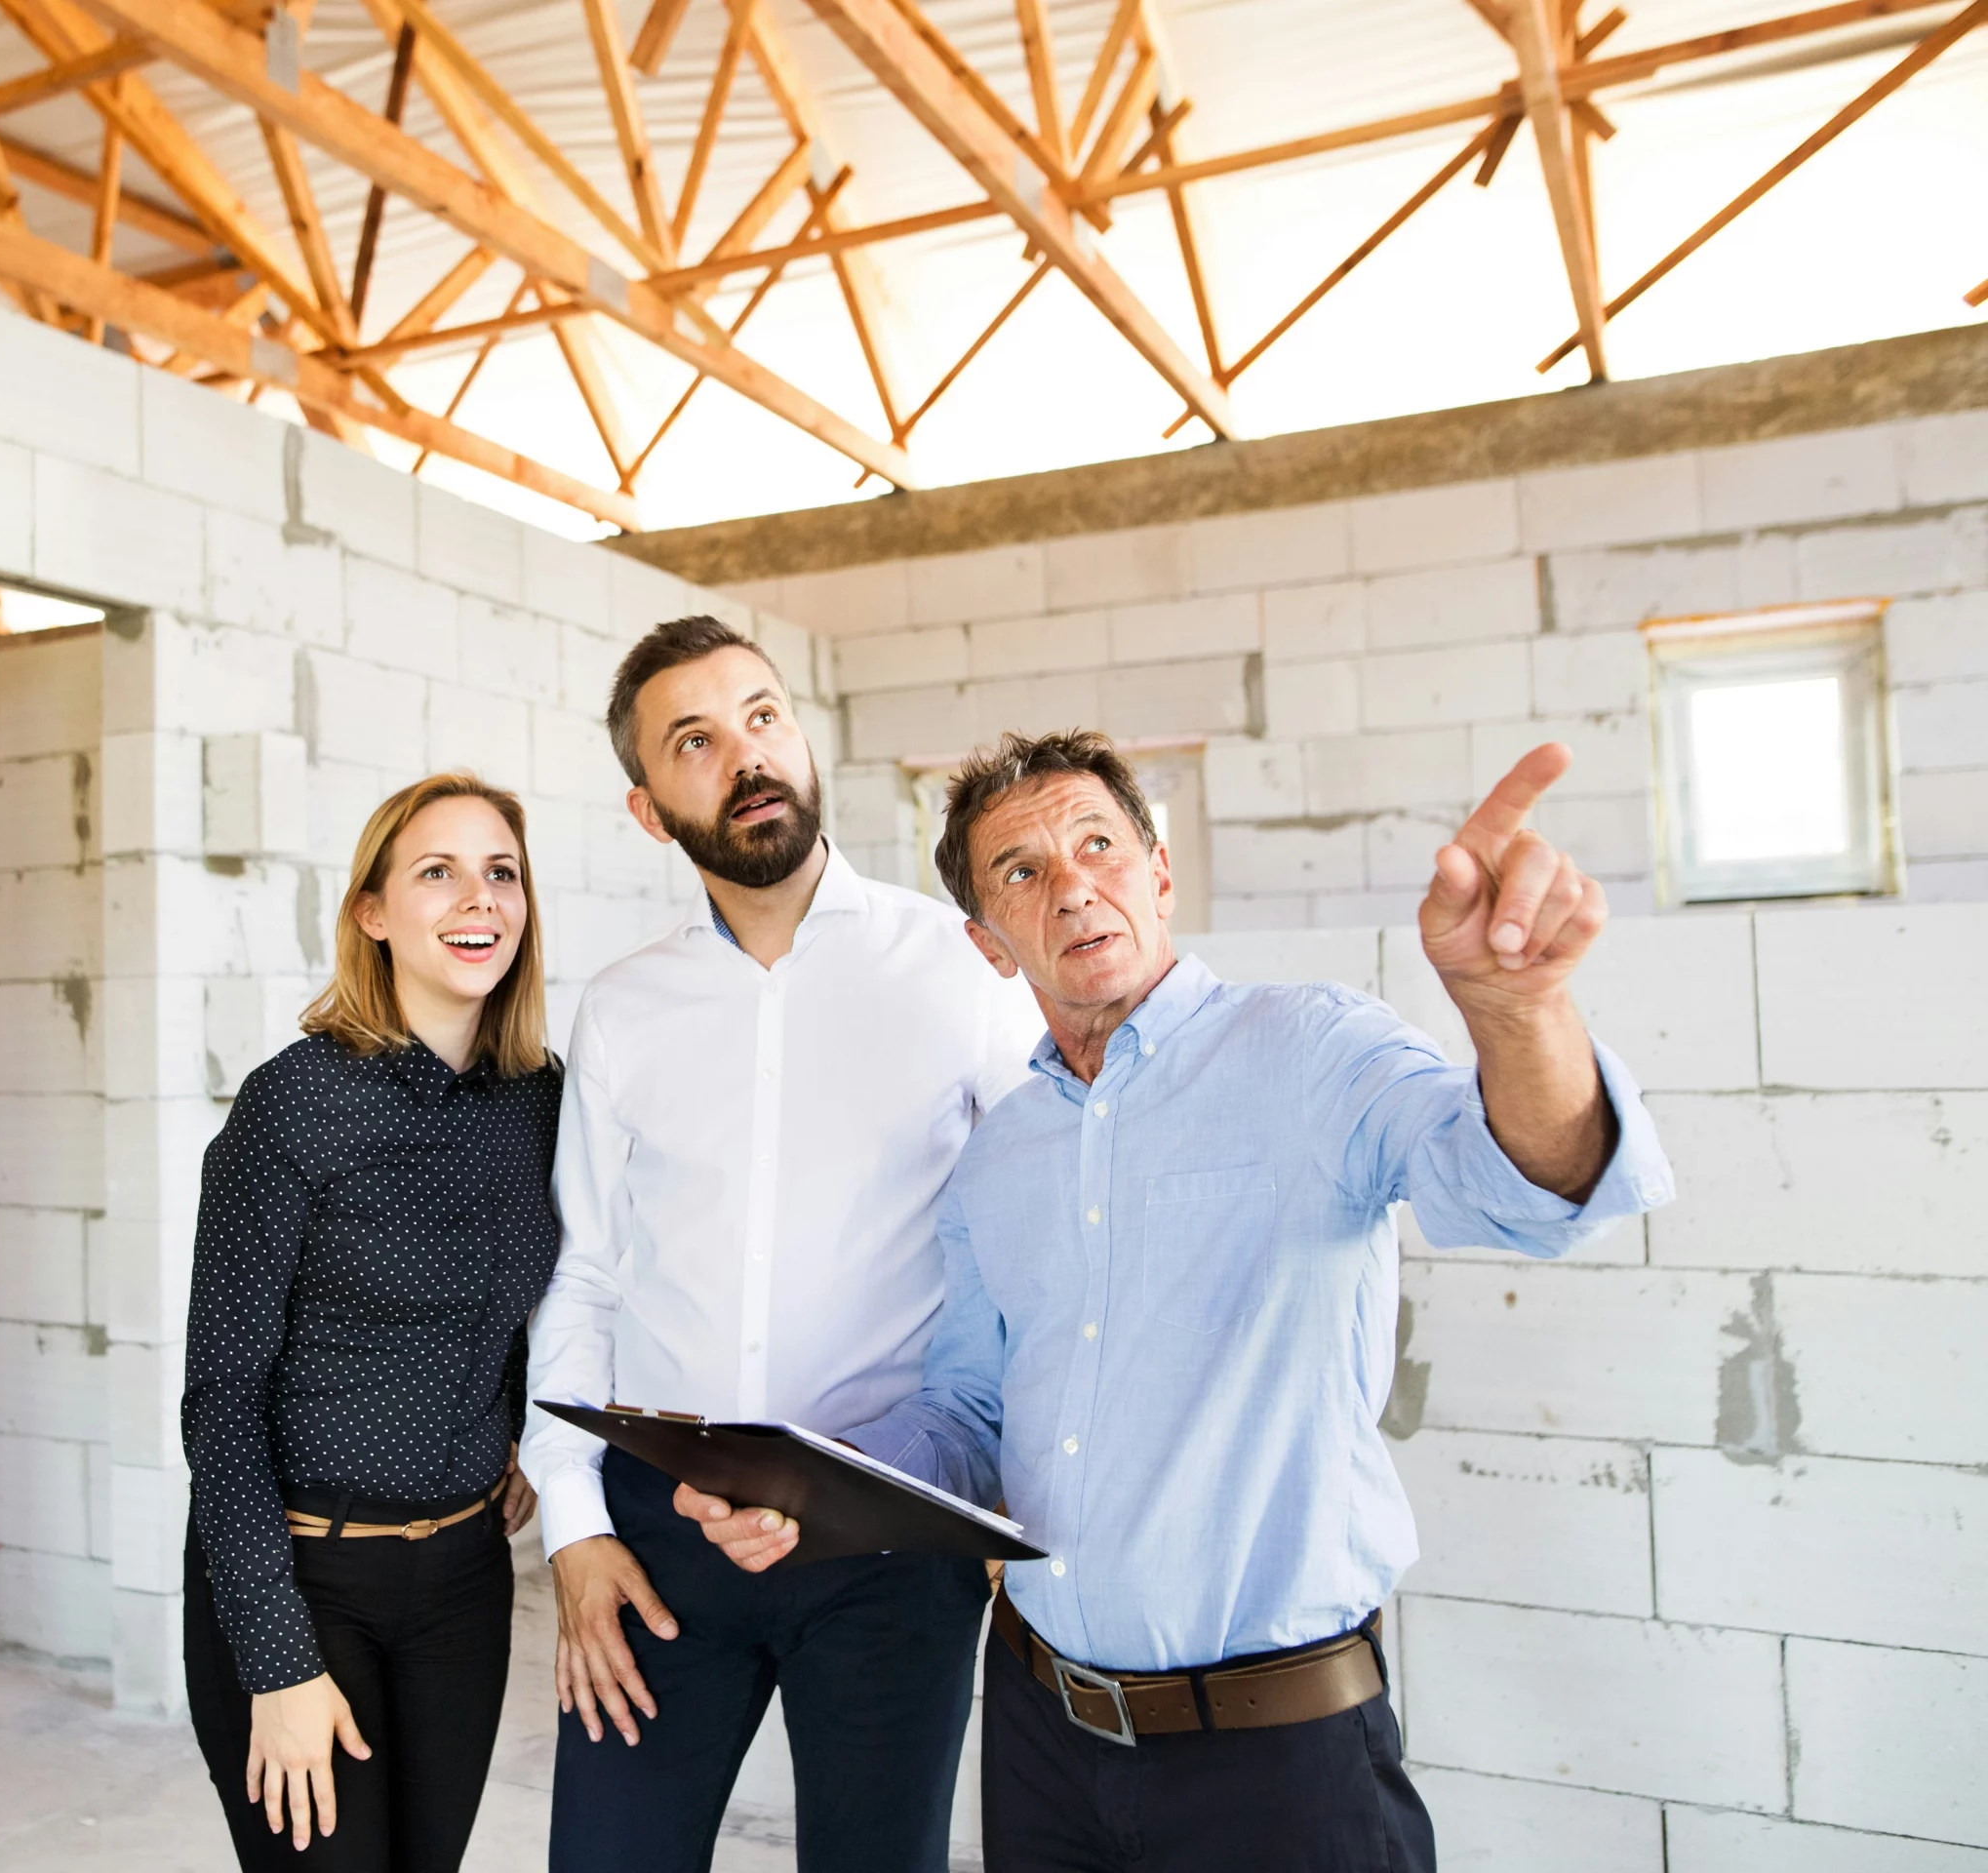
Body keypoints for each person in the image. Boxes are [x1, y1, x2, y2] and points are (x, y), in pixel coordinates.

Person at [681, 729, 1677, 1873]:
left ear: (1158, 873)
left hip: (1280, 1759)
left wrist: (1516, 1015)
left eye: (1099, 845)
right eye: (1022, 872)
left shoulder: (1311, 1048)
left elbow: (1532, 1192)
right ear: (989, 944)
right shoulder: (997, 1159)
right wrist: (814, 1482)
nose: (1072, 887)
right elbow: (966, 1417)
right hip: (1041, 1734)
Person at [522, 616, 1042, 1873]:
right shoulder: (624, 1008)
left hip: (886, 1531)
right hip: (659, 1526)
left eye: (762, 717)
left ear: (803, 741)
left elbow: (1040, 1241)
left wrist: (1000, 1485)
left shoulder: (960, 968)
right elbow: (585, 1269)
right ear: (650, 810)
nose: (745, 756)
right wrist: (576, 1529)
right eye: (695, 741)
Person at [179, 772, 563, 1870]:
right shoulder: (296, 1103)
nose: (476, 900)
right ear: (373, 913)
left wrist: (523, 1419)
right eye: (436, 873)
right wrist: (278, 1664)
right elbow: (221, 1401)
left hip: (462, 1588)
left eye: (501, 874)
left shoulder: (540, 1101)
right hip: (304, 1578)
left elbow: (551, 1288)